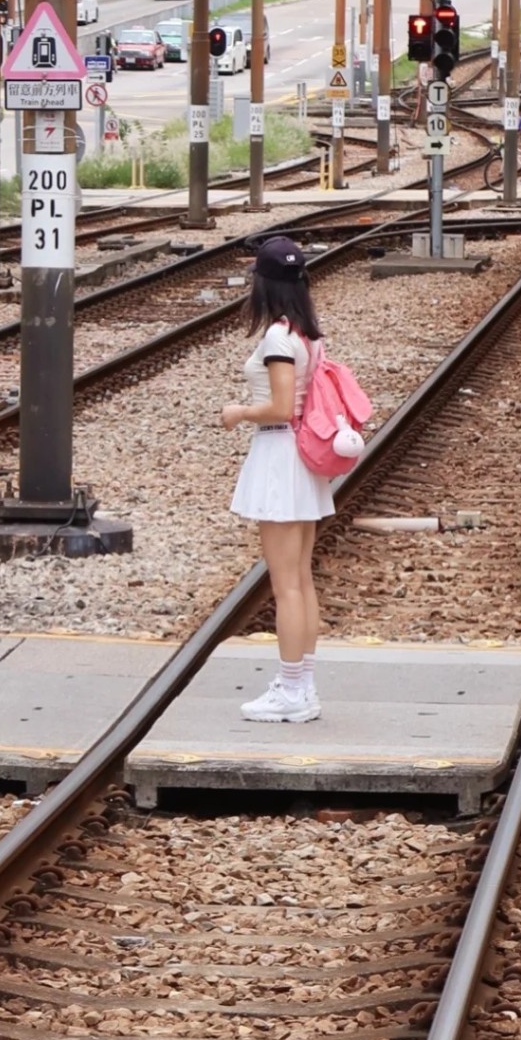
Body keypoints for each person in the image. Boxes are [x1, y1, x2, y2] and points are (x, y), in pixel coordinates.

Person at [221, 236, 334, 724]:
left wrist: (238, 412)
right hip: (302, 462)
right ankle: (301, 686)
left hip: (278, 453)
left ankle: (290, 691)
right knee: (301, 579)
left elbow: (282, 407)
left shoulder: (277, 339)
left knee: (286, 583)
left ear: (262, 284)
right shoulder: (308, 334)